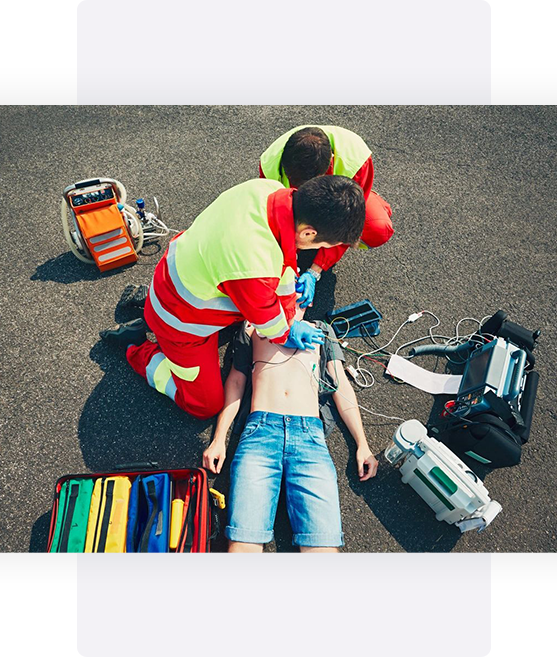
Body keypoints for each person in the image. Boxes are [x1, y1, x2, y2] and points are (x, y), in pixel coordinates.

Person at [100, 175, 365, 420]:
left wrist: (288, 305)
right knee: (205, 405)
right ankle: (139, 348)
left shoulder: (268, 190)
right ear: (308, 232)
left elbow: (281, 266)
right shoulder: (253, 264)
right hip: (180, 321)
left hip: (186, 274)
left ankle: (151, 315)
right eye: (322, 245)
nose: (320, 250)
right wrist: (286, 331)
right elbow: (268, 319)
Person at [202, 306, 379, 552]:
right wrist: (219, 438)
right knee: (243, 542)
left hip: (309, 438)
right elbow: (236, 380)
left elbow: (342, 387)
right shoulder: (252, 326)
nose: (294, 297)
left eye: (299, 290)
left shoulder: (322, 331)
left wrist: (363, 444)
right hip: (261, 434)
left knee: (323, 547)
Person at [259, 125, 395, 308]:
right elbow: (275, 216)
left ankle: (369, 200)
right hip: (296, 207)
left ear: (330, 162)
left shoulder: (356, 162)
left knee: (377, 229)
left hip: (342, 200)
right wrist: (286, 263)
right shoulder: (270, 164)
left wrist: (316, 269)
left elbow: (347, 222)